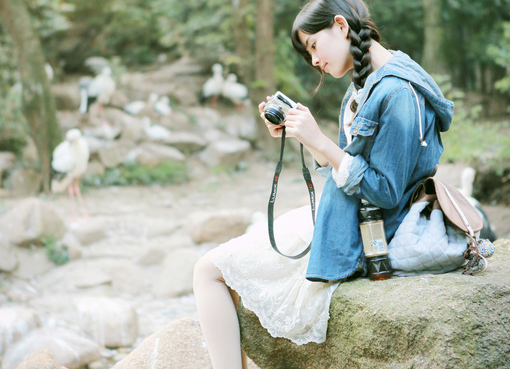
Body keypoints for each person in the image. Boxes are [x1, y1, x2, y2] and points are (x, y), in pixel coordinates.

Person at [193, 0, 454, 368]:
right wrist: (305, 137)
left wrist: (321, 142)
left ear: (341, 26)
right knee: (211, 270)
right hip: (345, 218)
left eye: (314, 45)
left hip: (366, 233)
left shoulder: (397, 92)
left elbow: (386, 193)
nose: (314, 60)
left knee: (208, 272)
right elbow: (344, 171)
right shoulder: (363, 85)